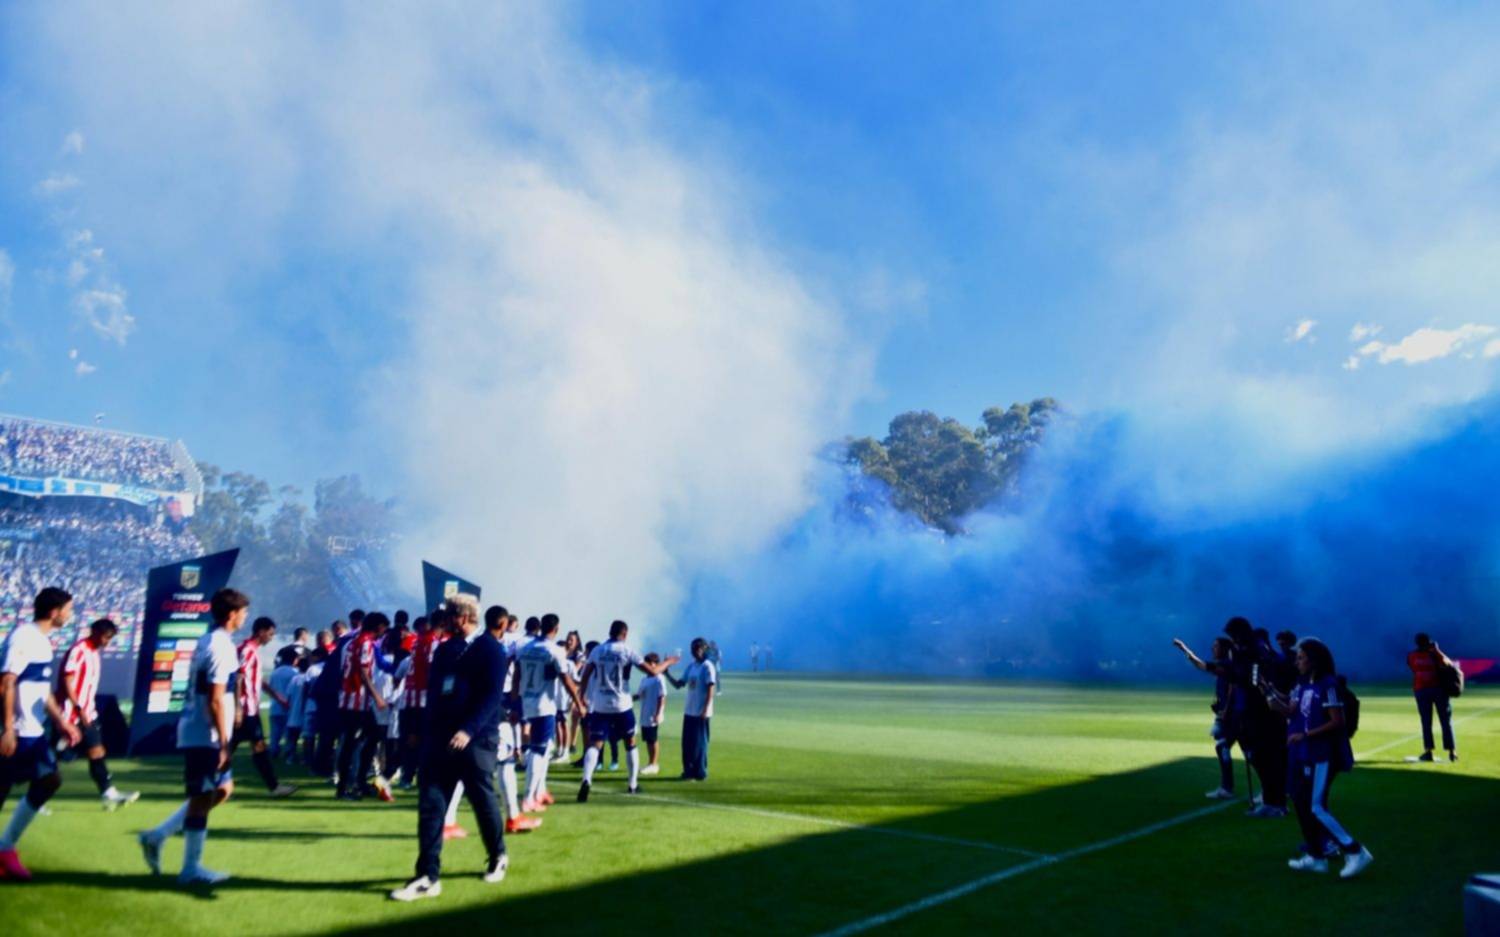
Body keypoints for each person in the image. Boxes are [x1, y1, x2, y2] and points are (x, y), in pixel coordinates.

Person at [390, 593, 508, 902]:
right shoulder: (443, 650)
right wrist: (419, 730)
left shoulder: (491, 650)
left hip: (476, 741)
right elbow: (434, 694)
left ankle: (497, 855)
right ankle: (427, 875)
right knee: (430, 805)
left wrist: (468, 730)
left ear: (467, 616)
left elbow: (492, 697)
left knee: (482, 801)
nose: (446, 621)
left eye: (452, 615)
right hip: (438, 740)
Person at [137, 588, 252, 885]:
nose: (245, 617)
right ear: (231, 614)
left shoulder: (210, 640)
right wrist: (224, 742)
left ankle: (158, 834)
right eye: (243, 612)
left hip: (202, 730)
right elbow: (214, 698)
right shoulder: (219, 646)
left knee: (223, 790)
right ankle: (190, 869)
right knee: (202, 798)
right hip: (205, 734)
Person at [1262, 638, 1373, 879]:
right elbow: (1292, 710)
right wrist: (1274, 704)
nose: (1297, 661)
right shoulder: (1302, 684)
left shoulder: (1328, 684)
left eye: (1302, 657)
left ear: (1314, 660)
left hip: (1323, 754)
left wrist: (1305, 734)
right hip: (1303, 753)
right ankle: (1316, 857)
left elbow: (1337, 721)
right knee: (1301, 802)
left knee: (1317, 807)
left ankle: (1355, 851)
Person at [0, 587, 82, 881]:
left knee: (49, 780)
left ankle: (5, 847)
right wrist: (7, 729)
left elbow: (42, 691)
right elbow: (6, 683)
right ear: (54, 611)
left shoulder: (43, 642)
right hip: (17, 732)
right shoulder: (24, 637)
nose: (70, 614)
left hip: (33, 733)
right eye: (68, 609)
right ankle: (5, 851)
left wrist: (62, 721)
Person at [576, 621, 678, 802]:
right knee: (630, 742)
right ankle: (632, 785)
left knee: (595, 743)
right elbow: (653, 672)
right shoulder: (627, 650)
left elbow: (586, 674)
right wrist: (668, 662)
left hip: (601, 704)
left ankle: (586, 780)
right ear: (625, 634)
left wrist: (581, 696)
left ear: (609, 632)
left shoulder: (597, 651)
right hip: (622, 703)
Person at [58, 617, 140, 810]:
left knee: (97, 751)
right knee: (54, 755)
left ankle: (108, 793)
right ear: (95, 633)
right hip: (72, 713)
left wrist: (87, 710)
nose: (107, 642)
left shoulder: (94, 652)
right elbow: (67, 680)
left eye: (110, 638)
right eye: (106, 637)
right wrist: (77, 708)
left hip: (88, 713)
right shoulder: (79, 650)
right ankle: (34, 794)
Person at [518, 613, 586, 815]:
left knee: (545, 747)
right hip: (544, 705)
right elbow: (566, 681)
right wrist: (579, 703)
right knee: (539, 750)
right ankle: (528, 798)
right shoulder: (554, 651)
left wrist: (515, 701)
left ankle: (539, 791)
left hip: (527, 700)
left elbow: (517, 675)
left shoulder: (526, 647)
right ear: (555, 629)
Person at [1223, 617, 1290, 818]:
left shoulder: (1255, 653)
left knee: (1266, 758)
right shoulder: (1253, 652)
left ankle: (1274, 802)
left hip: (1262, 713)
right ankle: (1273, 800)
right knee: (1262, 758)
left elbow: (1251, 681)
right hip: (1255, 711)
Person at [1171, 636, 1244, 801]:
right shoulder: (1225, 665)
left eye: (1216, 646)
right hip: (1228, 715)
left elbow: (1232, 688)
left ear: (1224, 649)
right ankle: (1231, 787)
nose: (1213, 649)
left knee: (1234, 749)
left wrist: (1225, 711)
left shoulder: (1226, 666)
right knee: (1228, 748)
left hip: (1232, 717)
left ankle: (1229, 788)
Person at [231, 616, 297, 798]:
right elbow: (238, 678)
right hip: (245, 710)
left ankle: (274, 786)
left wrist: (277, 696)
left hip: (250, 710)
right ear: (260, 631)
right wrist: (237, 707)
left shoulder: (253, 651)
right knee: (244, 747)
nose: (271, 637)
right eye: (270, 633)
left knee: (256, 747)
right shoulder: (246, 650)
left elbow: (257, 681)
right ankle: (207, 782)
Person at [337, 612, 390, 800]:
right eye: (384, 628)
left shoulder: (351, 643)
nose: (384, 633)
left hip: (350, 699)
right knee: (351, 744)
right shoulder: (366, 643)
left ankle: (359, 782)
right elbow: (363, 673)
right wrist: (377, 697)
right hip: (355, 702)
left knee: (372, 736)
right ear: (378, 627)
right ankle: (344, 788)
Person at [1408, 633, 1458, 762]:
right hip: (1438, 690)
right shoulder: (1434, 654)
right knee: (1445, 721)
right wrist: (1437, 650)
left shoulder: (1412, 656)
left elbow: (1413, 668)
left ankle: (1428, 751)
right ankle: (1452, 752)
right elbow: (1449, 664)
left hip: (1422, 690)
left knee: (1426, 722)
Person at [673, 637, 717, 781]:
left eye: (698, 648)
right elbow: (680, 684)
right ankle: (688, 771)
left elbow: (711, 687)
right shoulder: (691, 666)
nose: (695, 651)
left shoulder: (707, 666)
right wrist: (665, 672)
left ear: (704, 649)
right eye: (693, 648)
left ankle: (700, 772)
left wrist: (705, 709)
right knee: (687, 744)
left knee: (700, 743)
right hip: (689, 711)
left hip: (700, 712)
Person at [636, 654, 668, 775]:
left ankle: (653, 764)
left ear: (656, 664)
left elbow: (662, 696)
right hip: (644, 713)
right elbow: (639, 695)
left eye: (650, 663)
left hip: (653, 713)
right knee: (648, 739)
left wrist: (659, 713)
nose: (648, 665)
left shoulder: (659, 678)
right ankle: (650, 763)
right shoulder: (644, 679)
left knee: (652, 739)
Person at [267, 646, 300, 760]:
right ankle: (289, 753)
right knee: (288, 734)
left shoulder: (275, 672)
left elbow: (270, 688)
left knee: (275, 733)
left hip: (275, 706)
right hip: (289, 707)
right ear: (294, 659)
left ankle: (273, 751)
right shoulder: (294, 673)